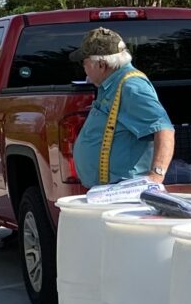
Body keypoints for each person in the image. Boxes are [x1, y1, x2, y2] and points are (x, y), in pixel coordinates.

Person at [71, 27, 175, 187]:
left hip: (125, 192)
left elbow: (164, 129)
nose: (84, 69)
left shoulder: (131, 87)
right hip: (110, 190)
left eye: (84, 63)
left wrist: (156, 177)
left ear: (101, 64)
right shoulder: (112, 84)